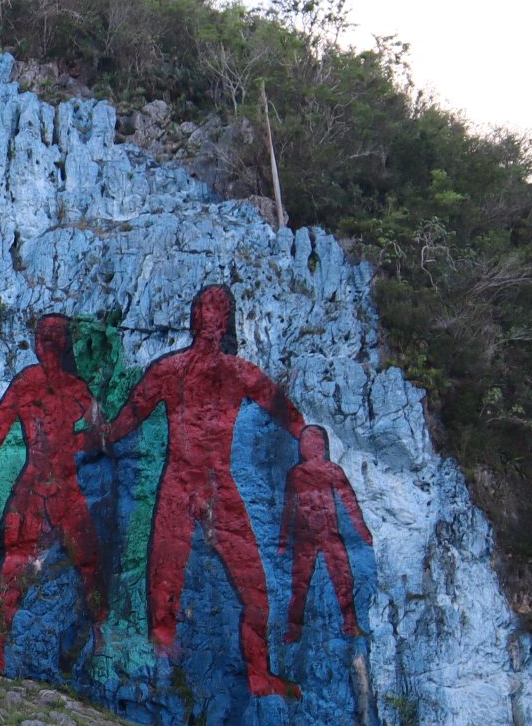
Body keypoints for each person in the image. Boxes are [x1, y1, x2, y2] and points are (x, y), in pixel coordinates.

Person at [100, 284, 306, 697]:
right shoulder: (168, 371)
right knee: (163, 577)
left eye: (215, 308)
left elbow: (287, 413)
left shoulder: (240, 373)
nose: (205, 315)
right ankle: (158, 664)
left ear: (225, 319)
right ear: (193, 317)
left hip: (219, 485)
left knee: (255, 589)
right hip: (179, 479)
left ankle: (258, 673)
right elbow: (127, 421)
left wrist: (312, 452)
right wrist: (92, 438)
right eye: (200, 307)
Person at [0, 314, 107, 673]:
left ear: (64, 344)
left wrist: (76, 441)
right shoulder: (26, 383)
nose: (46, 343)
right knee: (11, 568)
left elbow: (101, 435)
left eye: (54, 336)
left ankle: (102, 638)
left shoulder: (78, 390)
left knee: (90, 563)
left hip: (67, 490)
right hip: (31, 488)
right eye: (41, 336)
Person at [284, 424, 372, 640]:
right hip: (305, 537)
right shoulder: (295, 474)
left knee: (343, 578)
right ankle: (295, 629)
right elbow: (288, 509)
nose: (309, 446)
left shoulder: (333, 471)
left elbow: (350, 503)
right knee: (299, 583)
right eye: (306, 442)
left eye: (313, 442)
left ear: (321, 445)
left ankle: (350, 623)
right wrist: (283, 539)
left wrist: (363, 532)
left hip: (329, 533)